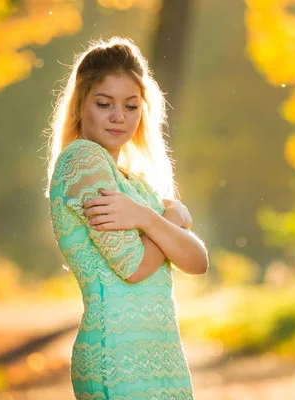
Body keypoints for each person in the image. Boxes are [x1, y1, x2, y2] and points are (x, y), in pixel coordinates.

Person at [45, 36, 208, 399]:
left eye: (131, 106)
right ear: (80, 106)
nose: (119, 117)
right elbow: (132, 266)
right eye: (104, 104)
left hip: (161, 354)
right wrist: (163, 220)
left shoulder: (136, 184)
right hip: (118, 356)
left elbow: (197, 262)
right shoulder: (83, 160)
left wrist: (156, 218)